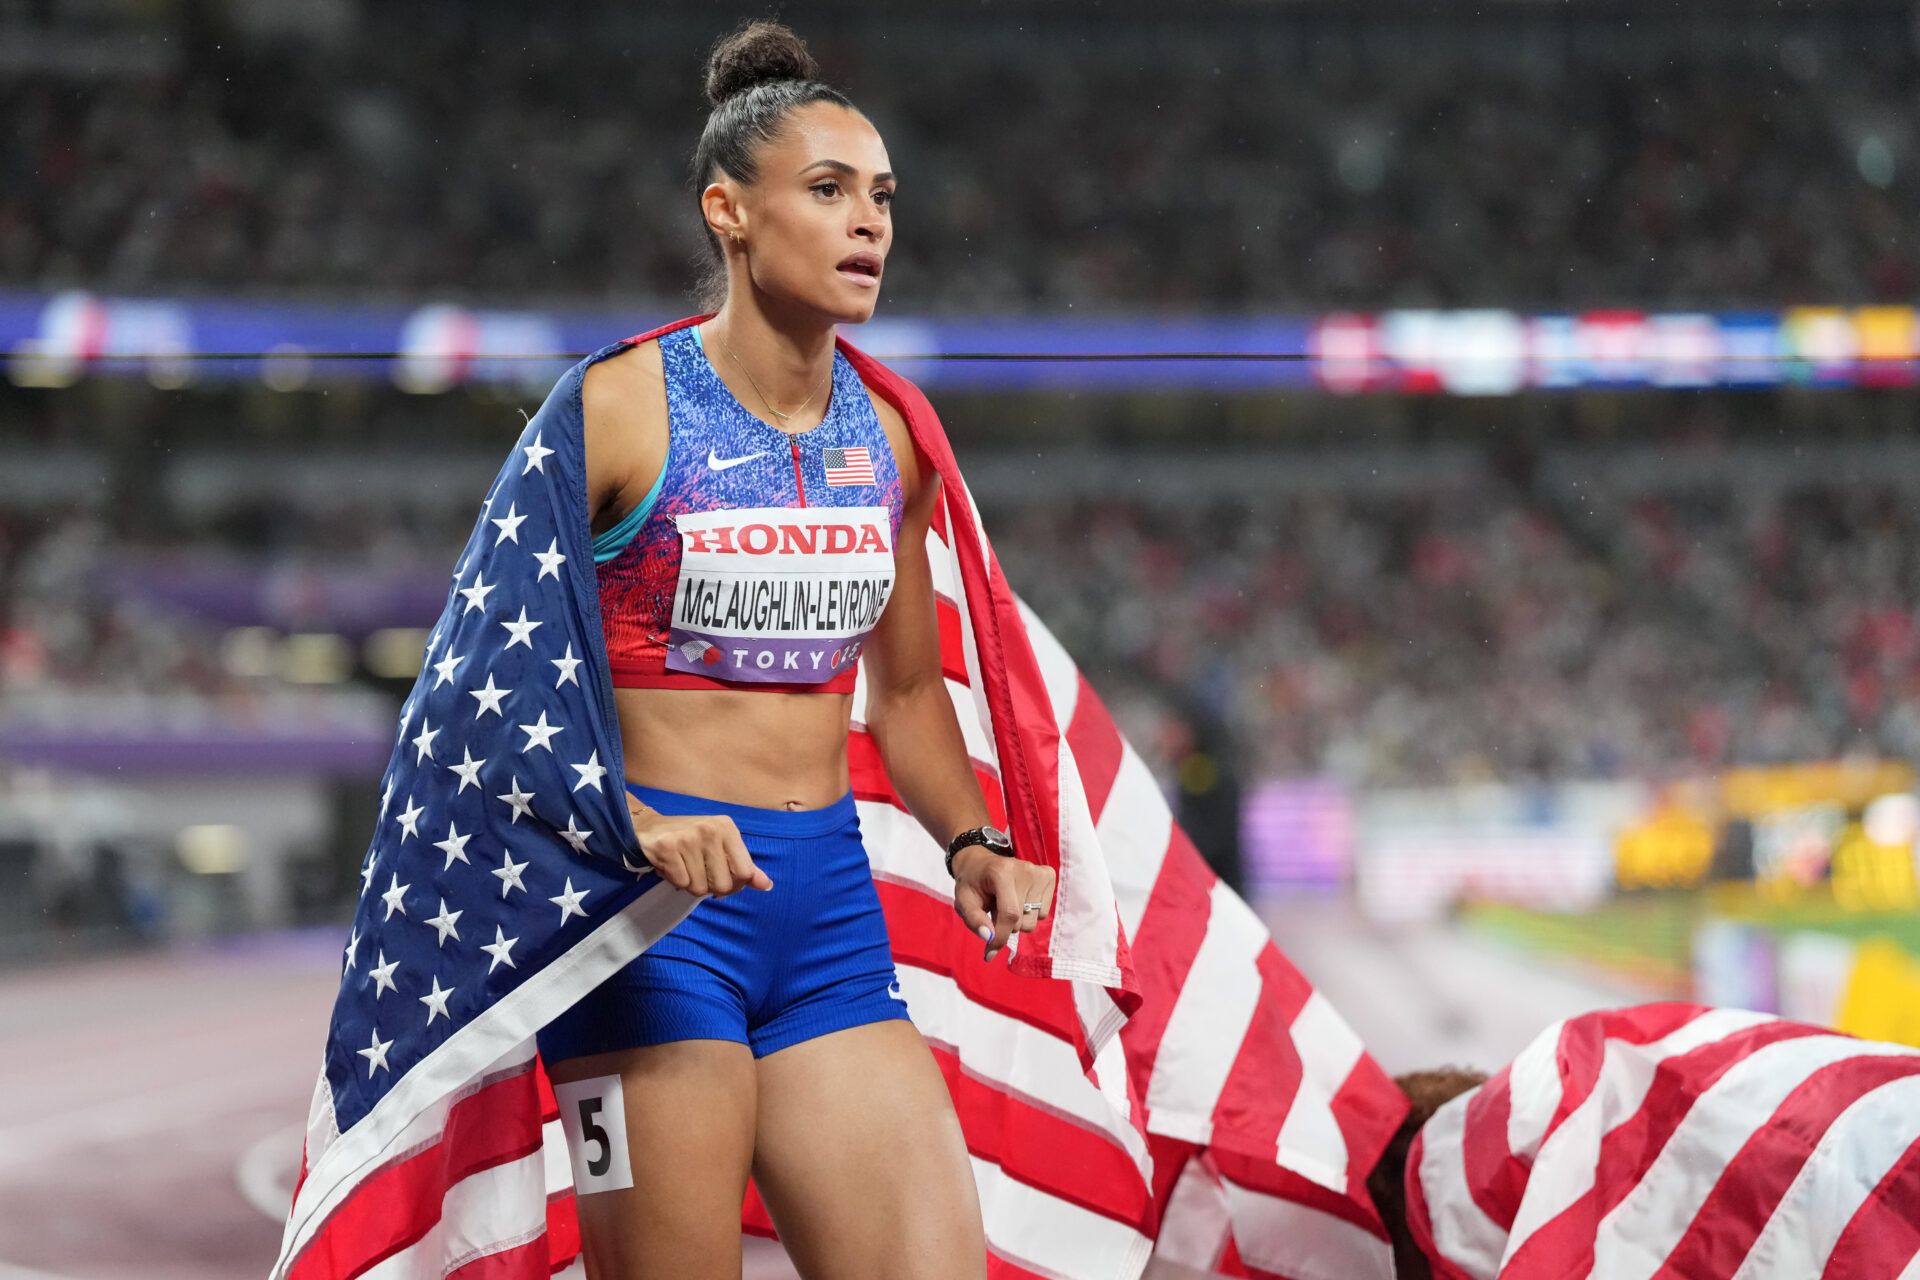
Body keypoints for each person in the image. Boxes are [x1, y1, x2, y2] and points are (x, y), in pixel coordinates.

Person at [530, 19, 1057, 1280]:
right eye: (826, 192)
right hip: (647, 915)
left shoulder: (892, 436)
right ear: (729, 211)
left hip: (822, 910)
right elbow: (488, 692)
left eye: (880, 197)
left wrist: (971, 838)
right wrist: (631, 826)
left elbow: (912, 688)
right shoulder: (614, 409)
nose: (868, 222)